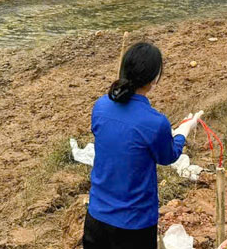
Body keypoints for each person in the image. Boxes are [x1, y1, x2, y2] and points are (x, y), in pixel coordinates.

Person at [84, 43, 202, 249]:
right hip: (134, 225)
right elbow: (168, 156)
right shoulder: (155, 123)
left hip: (96, 217)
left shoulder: (101, 106)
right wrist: (184, 130)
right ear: (155, 79)